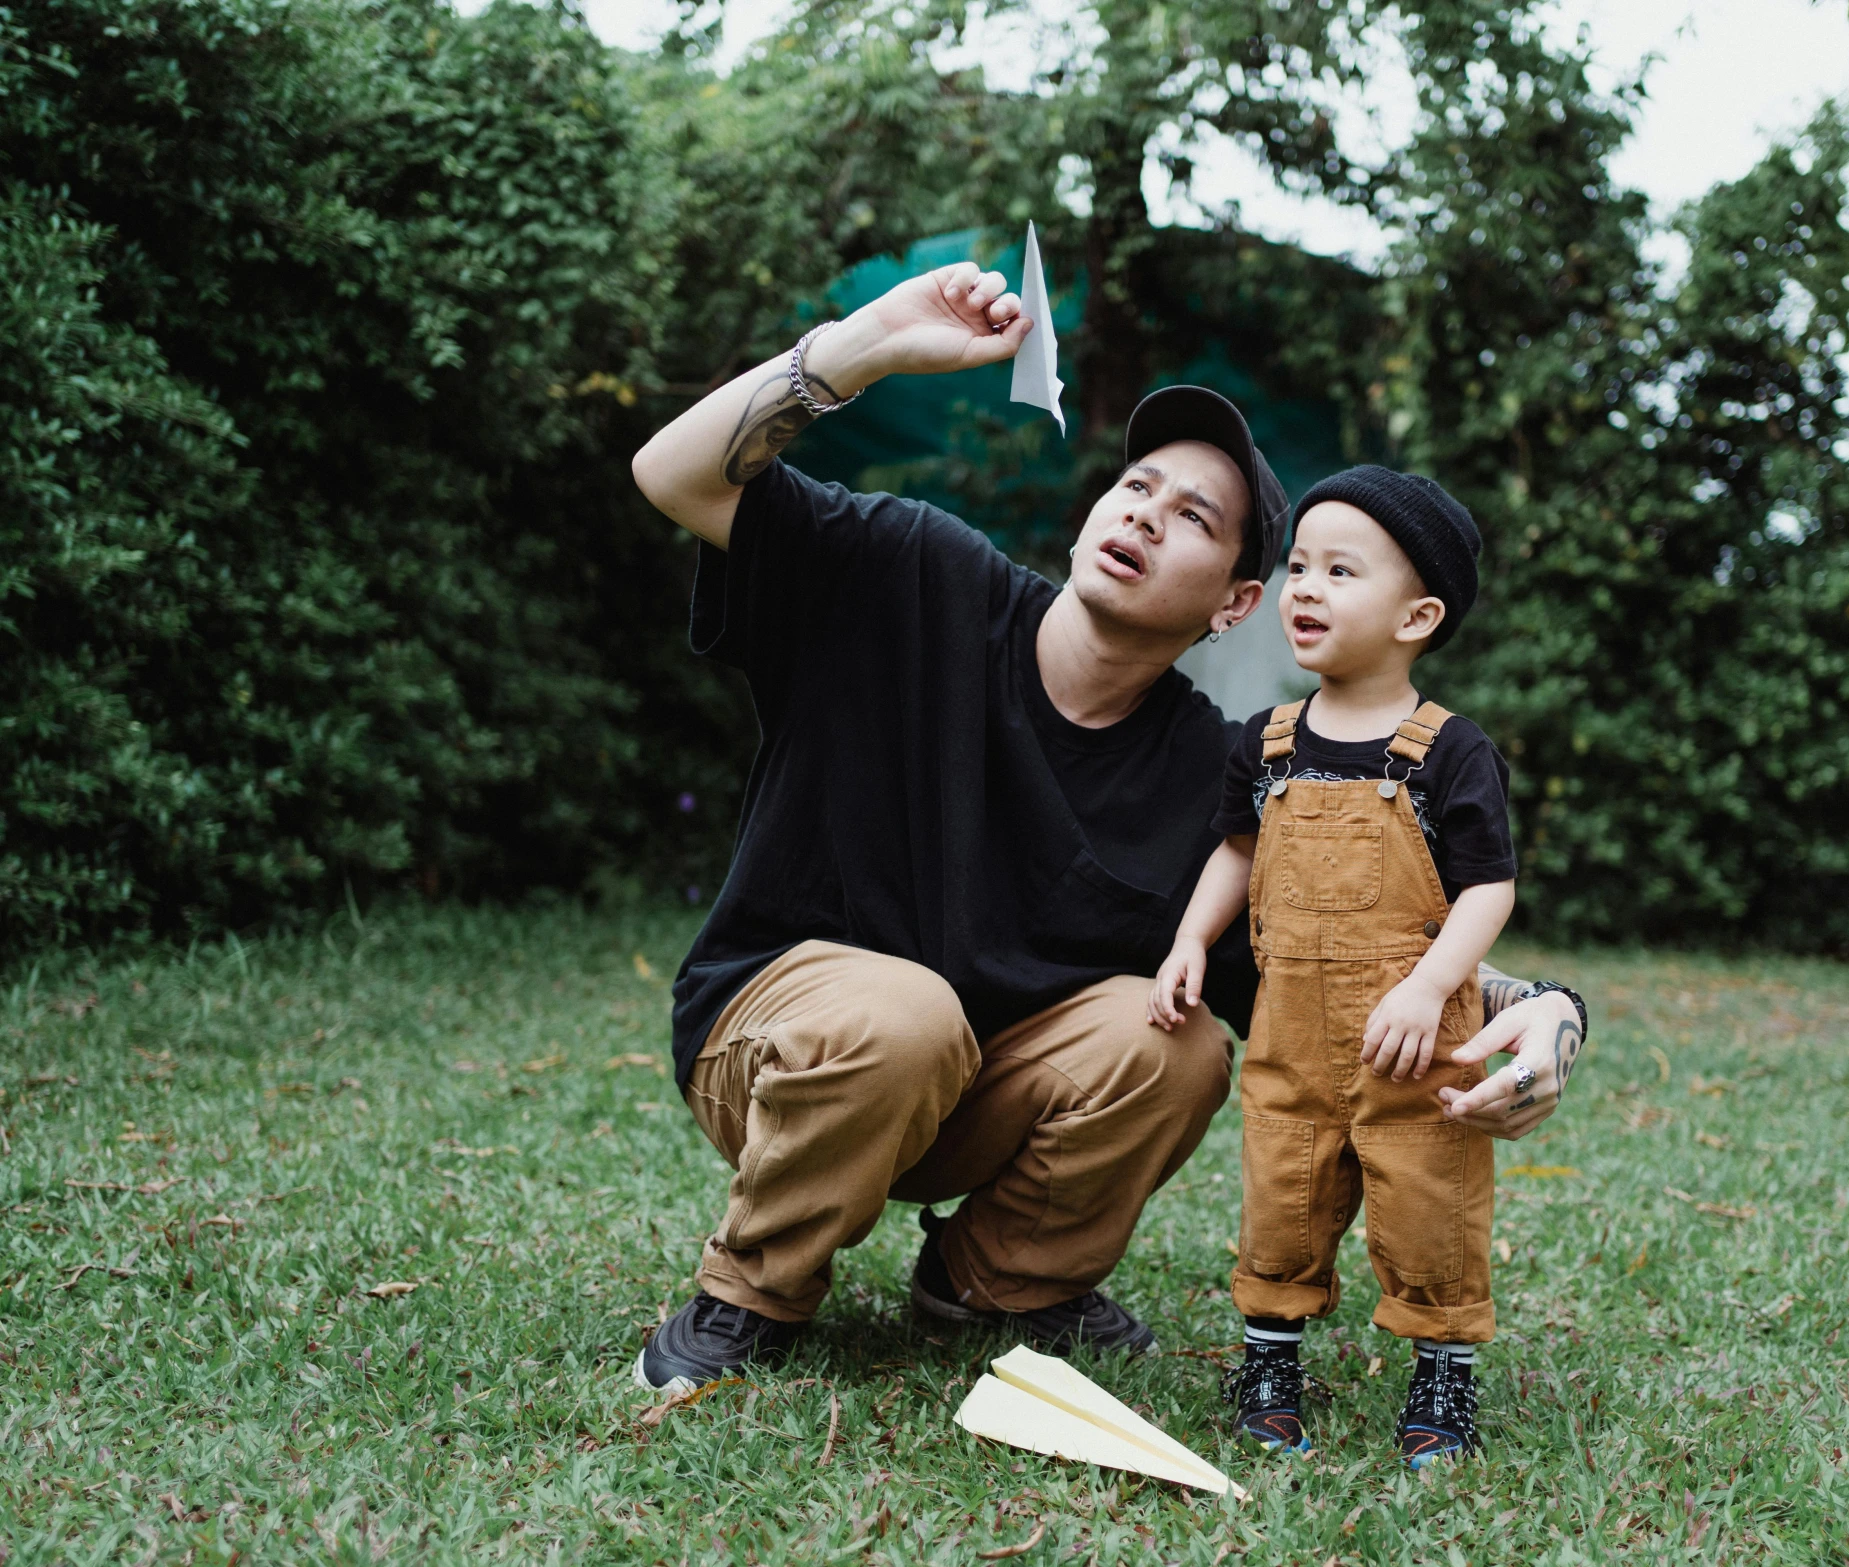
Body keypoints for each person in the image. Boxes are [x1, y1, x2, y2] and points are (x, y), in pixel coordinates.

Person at [625, 258, 1587, 1397]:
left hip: (975, 1089)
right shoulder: (913, 573)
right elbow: (670, 473)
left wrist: (1552, 1016)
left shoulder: (1213, 773)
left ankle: (996, 1282)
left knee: (1174, 1044)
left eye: (1194, 518)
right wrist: (863, 344)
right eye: (1137, 485)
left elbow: (1339, 950)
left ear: (1234, 601)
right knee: (905, 1014)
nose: (1145, 512)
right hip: (780, 1050)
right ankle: (750, 1293)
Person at [1151, 467, 1567, 1467]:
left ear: (1417, 613)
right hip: (1290, 1035)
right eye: (1297, 565)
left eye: (1340, 570)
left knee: (1432, 1208)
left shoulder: (1450, 753)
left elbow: (1487, 889)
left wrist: (1429, 985)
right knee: (1279, 1200)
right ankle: (1268, 1368)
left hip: (1415, 1040)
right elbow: (1236, 851)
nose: (1303, 587)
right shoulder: (1268, 743)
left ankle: (1441, 1384)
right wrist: (1188, 939)